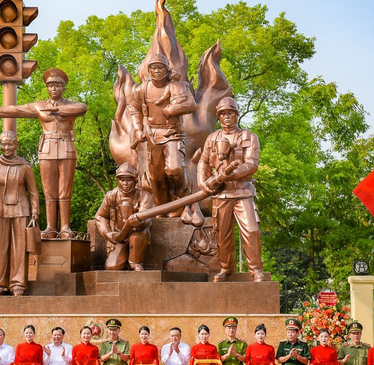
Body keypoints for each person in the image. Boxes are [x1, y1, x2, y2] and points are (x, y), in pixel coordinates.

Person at [0, 68, 88, 238]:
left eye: (58, 85)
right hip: (47, 149)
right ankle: (50, 227)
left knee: (65, 191)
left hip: (66, 148)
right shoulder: (39, 106)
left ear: (63, 88)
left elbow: (82, 107)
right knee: (49, 191)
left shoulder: (70, 105)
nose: (54, 89)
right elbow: (14, 109)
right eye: (51, 86)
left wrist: (60, 111)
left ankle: (65, 227)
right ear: (47, 88)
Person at [197, 96, 265, 282]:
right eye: (223, 114)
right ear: (218, 117)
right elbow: (203, 162)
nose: (227, 117)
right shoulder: (212, 138)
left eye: (231, 113)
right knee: (222, 233)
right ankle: (226, 269)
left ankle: (256, 270)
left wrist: (230, 175)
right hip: (221, 193)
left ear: (237, 114)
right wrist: (203, 181)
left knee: (251, 230)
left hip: (243, 192)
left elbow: (251, 164)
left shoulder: (249, 137)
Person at [129, 53, 202, 224]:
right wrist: (138, 129)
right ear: (149, 71)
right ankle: (162, 209)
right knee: (157, 176)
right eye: (153, 68)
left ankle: (183, 200)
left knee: (175, 169)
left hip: (172, 134)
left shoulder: (177, 86)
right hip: (153, 136)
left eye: (160, 67)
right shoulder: (142, 89)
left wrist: (173, 110)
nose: (157, 71)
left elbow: (191, 104)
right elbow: (134, 110)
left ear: (166, 69)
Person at [0, 130, 39, 295]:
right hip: (0, 210)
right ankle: (1, 284)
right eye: (3, 144)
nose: (6, 147)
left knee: (19, 248)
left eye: (10, 144)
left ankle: (18, 284)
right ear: (0, 145)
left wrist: (35, 212)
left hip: (21, 210)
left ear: (16, 145)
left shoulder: (24, 166)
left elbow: (33, 191)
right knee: (1, 248)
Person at [94, 162, 154, 271]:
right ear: (117, 180)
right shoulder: (111, 196)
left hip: (137, 234)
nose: (125, 183)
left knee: (137, 236)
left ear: (135, 181)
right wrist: (108, 233)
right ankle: (122, 257)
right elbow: (100, 216)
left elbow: (147, 219)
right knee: (112, 267)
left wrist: (140, 222)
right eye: (122, 180)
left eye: (129, 180)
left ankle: (135, 262)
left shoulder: (144, 196)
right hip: (119, 236)